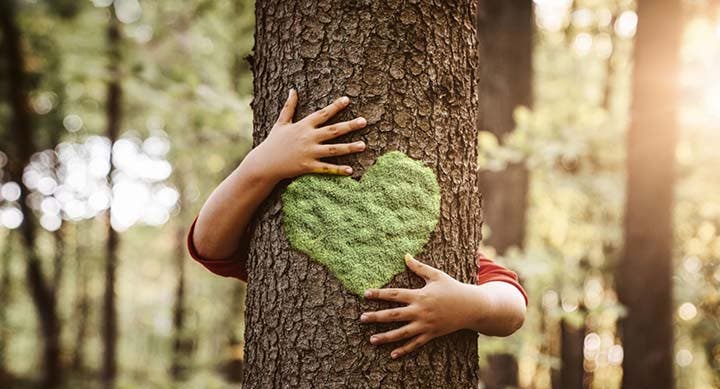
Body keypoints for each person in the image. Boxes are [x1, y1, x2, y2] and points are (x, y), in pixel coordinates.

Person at [187, 88, 528, 359]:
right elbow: (209, 245)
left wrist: (468, 305)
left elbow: (512, 306)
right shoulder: (273, 230)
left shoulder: (436, 248)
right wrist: (260, 166)